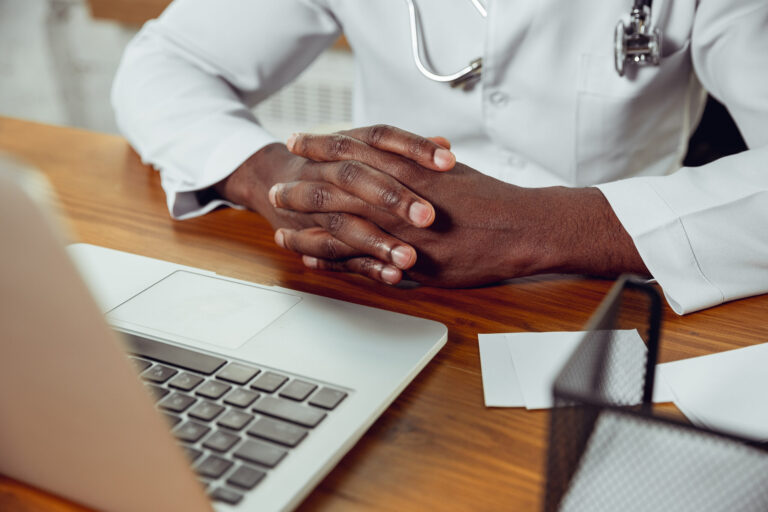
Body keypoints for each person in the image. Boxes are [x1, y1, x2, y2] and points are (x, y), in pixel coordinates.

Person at [111, 0, 768, 314]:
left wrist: (550, 227)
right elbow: (169, 61)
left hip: (622, 294)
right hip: (380, 286)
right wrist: (274, 176)